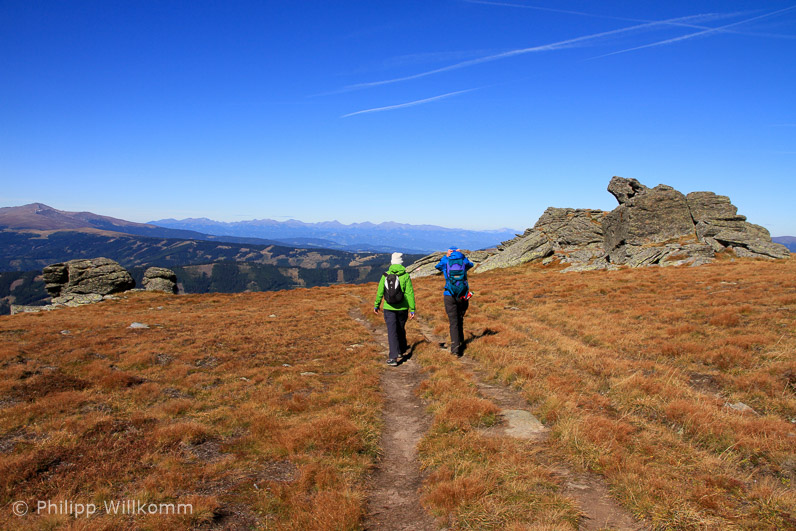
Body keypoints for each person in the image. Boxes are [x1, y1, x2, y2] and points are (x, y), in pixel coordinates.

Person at [374, 252, 416, 366]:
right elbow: (409, 293)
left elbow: (380, 291)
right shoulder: (405, 276)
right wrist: (412, 309)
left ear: (392, 262)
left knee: (392, 331)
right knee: (400, 328)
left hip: (389, 307)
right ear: (401, 262)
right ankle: (401, 350)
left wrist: (377, 305)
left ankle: (393, 357)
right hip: (403, 308)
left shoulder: (385, 275)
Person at [435, 247, 474, 357]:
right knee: (460, 318)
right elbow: (471, 265)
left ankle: (456, 349)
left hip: (449, 295)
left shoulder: (446, 262)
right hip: (463, 295)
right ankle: (460, 342)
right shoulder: (464, 263)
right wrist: (462, 255)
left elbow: (437, 267)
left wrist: (445, 256)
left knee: (453, 322)